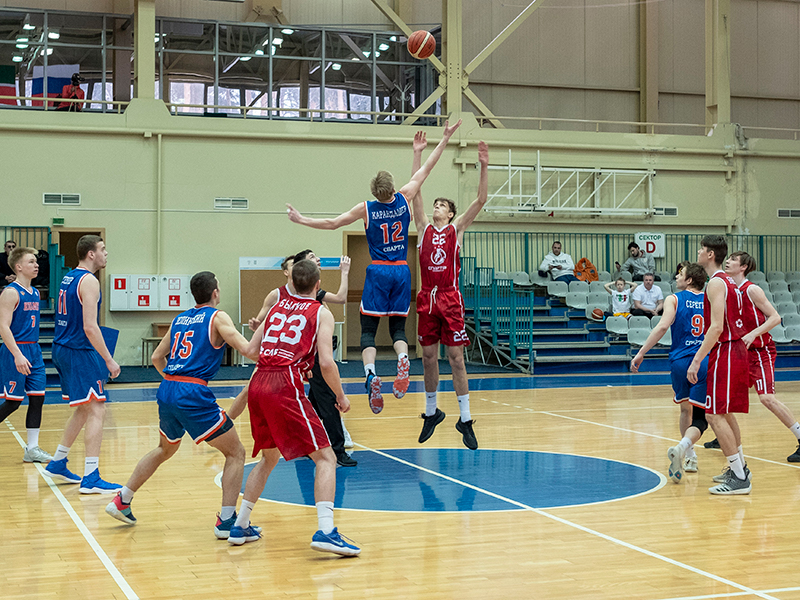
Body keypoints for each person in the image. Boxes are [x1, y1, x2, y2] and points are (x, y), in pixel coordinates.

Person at [286, 120, 462, 414]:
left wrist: (302, 219)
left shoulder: (366, 208)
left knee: (368, 329)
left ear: (375, 192)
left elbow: (332, 223)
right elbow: (426, 170)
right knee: (398, 327)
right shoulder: (404, 197)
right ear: (392, 188)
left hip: (378, 270)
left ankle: (370, 374)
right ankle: (403, 359)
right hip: (402, 271)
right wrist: (442, 139)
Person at [105, 272, 261, 536]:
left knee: (164, 449)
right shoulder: (218, 317)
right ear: (215, 292)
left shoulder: (179, 319)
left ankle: (122, 499)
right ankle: (226, 522)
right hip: (192, 392)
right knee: (236, 453)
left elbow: (157, 357)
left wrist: (173, 382)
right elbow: (248, 351)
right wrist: (266, 336)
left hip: (168, 387)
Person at [231, 259, 360, 555]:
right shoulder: (321, 311)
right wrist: (341, 396)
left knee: (269, 458)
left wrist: (278, 358)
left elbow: (249, 350)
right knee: (326, 458)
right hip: (284, 384)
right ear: (318, 285)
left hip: (258, 383)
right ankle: (326, 531)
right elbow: (326, 363)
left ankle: (240, 524)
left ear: (291, 281)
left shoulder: (276, 306)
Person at [410, 133, 488, 450]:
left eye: (442, 204)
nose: (436, 206)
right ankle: (432, 412)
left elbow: (480, 200)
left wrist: (484, 166)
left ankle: (465, 418)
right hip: (427, 298)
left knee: (456, 359)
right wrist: (418, 153)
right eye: (436, 204)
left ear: (451, 214)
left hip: (450, 298)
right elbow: (414, 190)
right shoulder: (423, 228)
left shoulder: (457, 230)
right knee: (429, 358)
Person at [247, 251, 355, 465]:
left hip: (282, 366)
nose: (317, 260)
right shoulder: (279, 296)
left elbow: (251, 350)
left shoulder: (309, 297)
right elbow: (260, 324)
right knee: (327, 399)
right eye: (312, 258)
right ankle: (336, 448)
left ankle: (311, 443)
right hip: (291, 364)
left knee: (313, 400)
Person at [44, 235, 121, 493]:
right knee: (98, 408)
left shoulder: (69, 277)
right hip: (78, 350)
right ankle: (91, 477)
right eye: (102, 249)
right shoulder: (89, 281)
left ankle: (58, 461)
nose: (106, 253)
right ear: (91, 254)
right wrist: (108, 359)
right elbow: (90, 326)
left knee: (84, 409)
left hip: (62, 347)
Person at [631, 262, 709, 483]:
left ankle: (690, 456)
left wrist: (641, 352)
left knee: (685, 410)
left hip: (680, 361)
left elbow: (662, 327)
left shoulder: (673, 299)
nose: (676, 277)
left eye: (680, 274)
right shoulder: (711, 299)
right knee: (704, 414)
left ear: (689, 280)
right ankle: (690, 452)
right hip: (703, 359)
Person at [688, 235, 751, 495]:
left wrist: (696, 360)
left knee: (713, 415)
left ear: (711, 254)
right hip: (734, 350)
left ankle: (740, 478)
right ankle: (740, 468)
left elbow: (716, 327)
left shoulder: (716, 282)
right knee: (724, 413)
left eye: (702, 249)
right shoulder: (729, 281)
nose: (699, 252)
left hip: (726, 349)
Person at [725, 251, 800, 463]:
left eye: (733, 259)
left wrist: (753, 333)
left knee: (767, 398)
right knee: (725, 398)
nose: (728, 261)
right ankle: (725, 436)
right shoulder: (729, 290)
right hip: (740, 353)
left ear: (743, 267)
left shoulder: (752, 290)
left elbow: (775, 317)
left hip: (760, 351)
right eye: (728, 258)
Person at [0, 247, 53, 463]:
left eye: (36, 261)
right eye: (31, 261)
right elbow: (3, 327)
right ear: (19, 266)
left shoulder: (35, 292)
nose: (36, 265)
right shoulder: (10, 292)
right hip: (15, 349)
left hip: (34, 350)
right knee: (13, 402)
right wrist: (17, 355)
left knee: (38, 398)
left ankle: (32, 449)